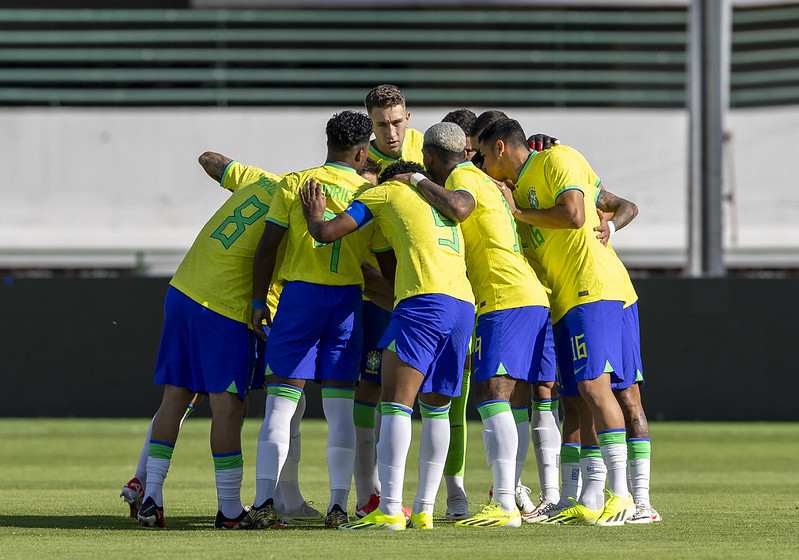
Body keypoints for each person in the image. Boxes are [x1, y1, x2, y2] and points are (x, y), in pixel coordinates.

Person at [392, 123, 552, 528]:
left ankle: (504, 503)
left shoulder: (463, 176)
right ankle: (515, 496)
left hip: (505, 296)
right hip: (525, 295)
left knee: (491, 392)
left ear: (430, 156)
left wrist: (414, 179)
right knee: (508, 398)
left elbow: (458, 207)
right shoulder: (483, 179)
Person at [301, 160, 475, 530]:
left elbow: (328, 233)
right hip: (463, 306)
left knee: (395, 405)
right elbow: (390, 267)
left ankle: (391, 508)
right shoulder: (438, 203)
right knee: (437, 411)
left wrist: (315, 217)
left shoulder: (384, 192)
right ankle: (425, 509)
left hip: (424, 302)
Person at [478, 118, 634, 526]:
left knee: (594, 388)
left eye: (481, 153)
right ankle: (588, 496)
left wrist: (519, 212)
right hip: (563, 300)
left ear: (498, 147)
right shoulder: (514, 189)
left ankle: (622, 495)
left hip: (592, 287)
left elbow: (575, 214)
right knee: (577, 400)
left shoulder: (557, 159)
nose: (479, 161)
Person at [133, 150, 292, 530]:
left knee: (176, 395)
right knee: (228, 406)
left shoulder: (262, 179)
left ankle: (151, 498)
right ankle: (230, 511)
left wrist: (227, 170)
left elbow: (208, 159)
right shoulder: (305, 206)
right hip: (221, 305)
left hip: (182, 290)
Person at [237, 110, 375, 530]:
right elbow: (381, 261)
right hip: (346, 303)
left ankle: (262, 503)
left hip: (297, 299)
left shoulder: (295, 182)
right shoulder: (370, 193)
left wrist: (260, 300)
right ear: (361, 150)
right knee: (340, 410)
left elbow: (267, 248)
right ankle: (338, 507)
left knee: (280, 405)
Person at [364, 84, 425, 174]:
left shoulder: (418, 140)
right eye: (382, 125)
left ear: (407, 119)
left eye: (396, 123)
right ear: (370, 125)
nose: (391, 134)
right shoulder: (362, 161)